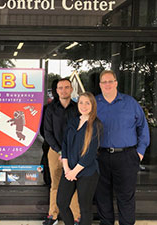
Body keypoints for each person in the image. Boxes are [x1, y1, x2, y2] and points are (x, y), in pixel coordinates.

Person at [95, 70, 150, 225]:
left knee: (125, 196)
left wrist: (139, 152)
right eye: (104, 82)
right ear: (100, 85)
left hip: (126, 156)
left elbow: (143, 128)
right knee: (102, 195)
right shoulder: (94, 103)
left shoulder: (130, 103)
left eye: (110, 81)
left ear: (116, 83)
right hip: (101, 156)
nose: (107, 85)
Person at [57, 92, 102, 225]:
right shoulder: (73, 121)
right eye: (81, 102)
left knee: (85, 208)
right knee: (62, 203)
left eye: (87, 102)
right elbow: (65, 144)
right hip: (69, 170)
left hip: (87, 173)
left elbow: (89, 154)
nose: (84, 105)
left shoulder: (96, 125)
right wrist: (66, 169)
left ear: (93, 105)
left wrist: (73, 172)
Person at [44, 78, 80, 225]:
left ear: (71, 89)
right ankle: (53, 216)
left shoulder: (78, 108)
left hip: (73, 152)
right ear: (56, 90)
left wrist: (69, 152)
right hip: (55, 152)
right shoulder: (50, 109)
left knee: (73, 184)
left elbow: (81, 132)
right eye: (60, 88)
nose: (63, 90)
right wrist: (60, 151)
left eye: (66, 87)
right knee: (55, 184)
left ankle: (76, 217)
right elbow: (47, 132)